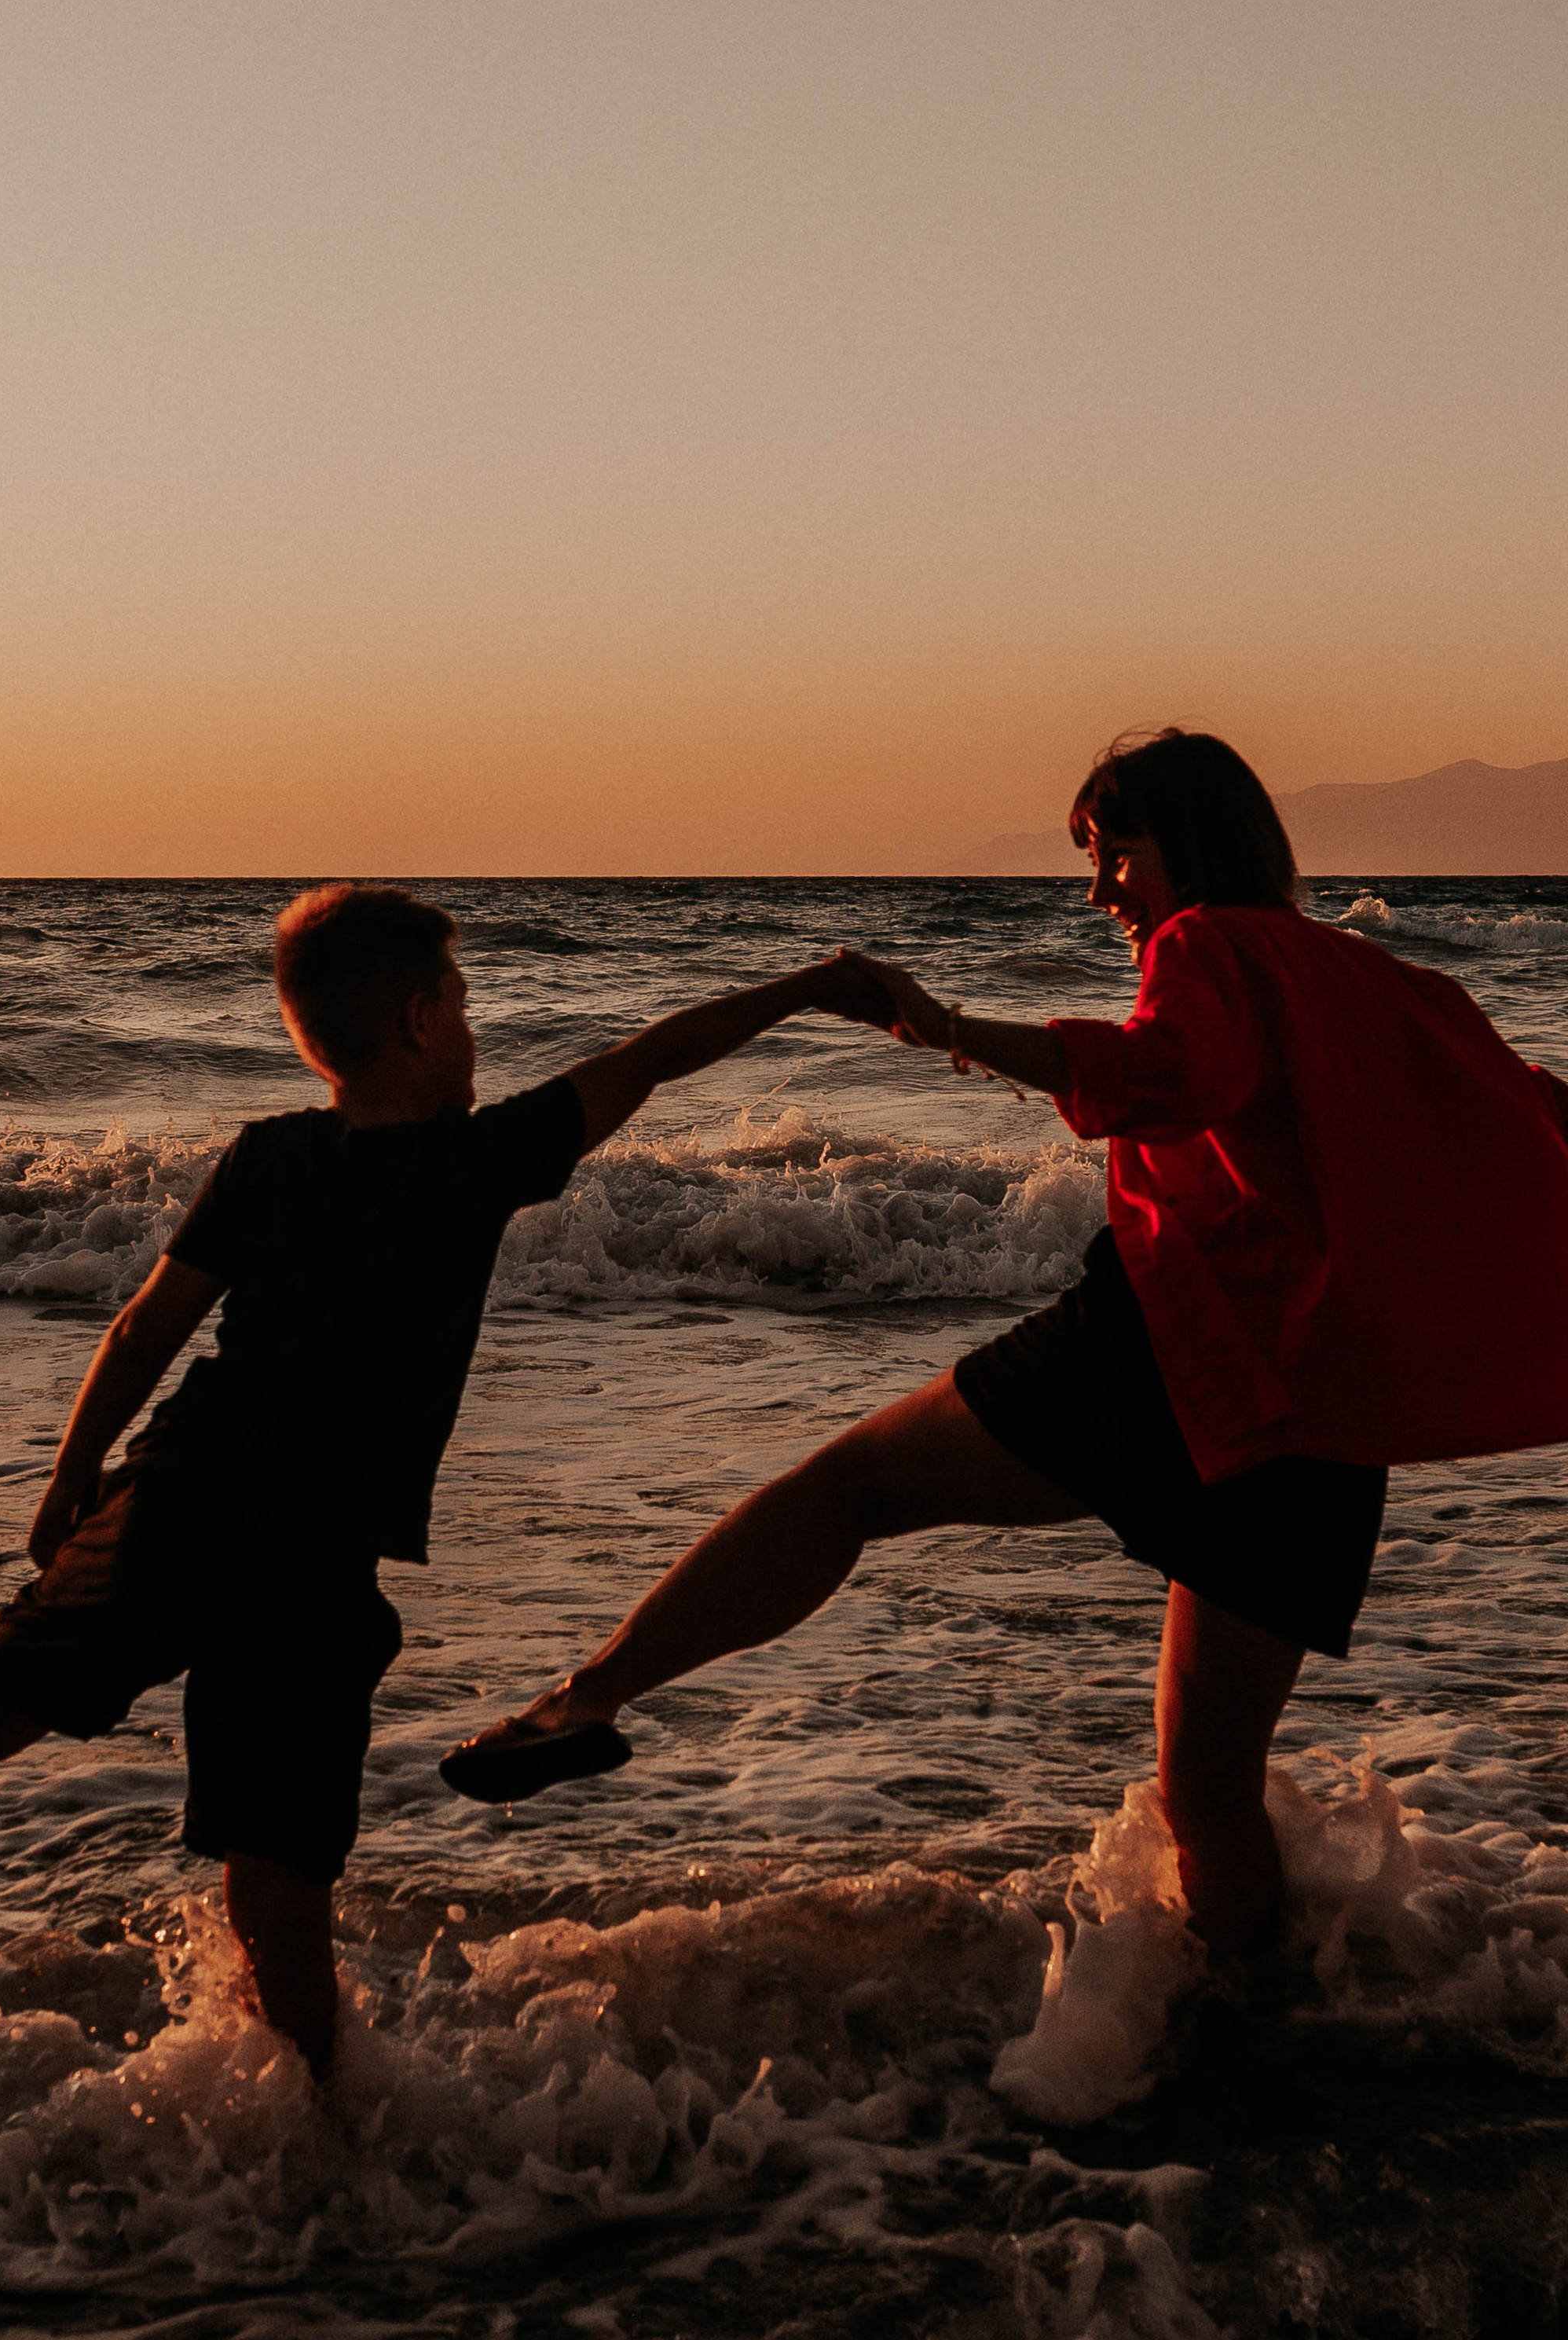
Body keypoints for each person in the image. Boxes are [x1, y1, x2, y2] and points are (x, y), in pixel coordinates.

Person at [0, 883, 874, 2075]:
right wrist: (815, 984)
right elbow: (656, 1054)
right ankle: (316, 2109)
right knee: (277, 1862)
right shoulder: (478, 1159)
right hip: (309, 1554)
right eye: (461, 1006)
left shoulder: (270, 1158)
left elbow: (144, 1328)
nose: (472, 1031)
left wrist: (69, 1478)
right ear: (414, 1020)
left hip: (176, 1493)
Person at [444, 732, 1568, 1965]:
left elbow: (1167, 1071)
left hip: (1174, 1351)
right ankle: (1261, 2029)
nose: (1103, 895)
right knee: (1208, 1792)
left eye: (1115, 854)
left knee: (852, 1487)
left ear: (1190, 843)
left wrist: (951, 1029)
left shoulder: (1211, 943)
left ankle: (588, 1693)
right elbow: (1525, 1112)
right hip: (1317, 1419)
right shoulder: (1382, 981)